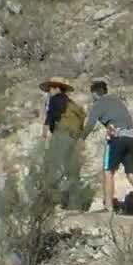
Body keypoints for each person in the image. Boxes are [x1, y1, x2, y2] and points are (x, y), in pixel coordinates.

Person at [83, 80, 133, 213]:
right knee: (132, 174)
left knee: (108, 171)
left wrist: (80, 139)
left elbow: (89, 125)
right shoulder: (118, 102)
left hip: (117, 138)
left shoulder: (98, 104)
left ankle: (108, 207)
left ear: (94, 94)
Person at [40, 76, 87, 209]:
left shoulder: (56, 99)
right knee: (71, 171)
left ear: (55, 88)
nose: (49, 91)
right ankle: (74, 204)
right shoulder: (71, 103)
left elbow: (51, 115)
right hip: (74, 138)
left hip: (62, 134)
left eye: (50, 88)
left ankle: (50, 204)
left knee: (52, 166)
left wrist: (45, 131)